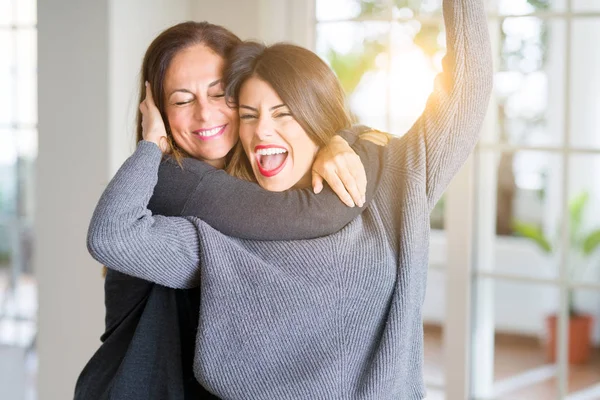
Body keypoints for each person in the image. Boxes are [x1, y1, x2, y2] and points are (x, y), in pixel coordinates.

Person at [87, 0, 492, 397]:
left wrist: (349, 140)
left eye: (283, 113)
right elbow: (113, 236)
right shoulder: (214, 234)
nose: (262, 130)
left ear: (317, 116)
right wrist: (151, 146)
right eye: (248, 114)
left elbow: (466, 90)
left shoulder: (391, 183)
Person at [75, 21, 385, 400]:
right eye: (182, 100)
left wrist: (342, 139)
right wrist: (353, 144)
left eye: (221, 94)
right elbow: (319, 213)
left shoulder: (253, 177)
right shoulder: (175, 180)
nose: (205, 115)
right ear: (156, 111)